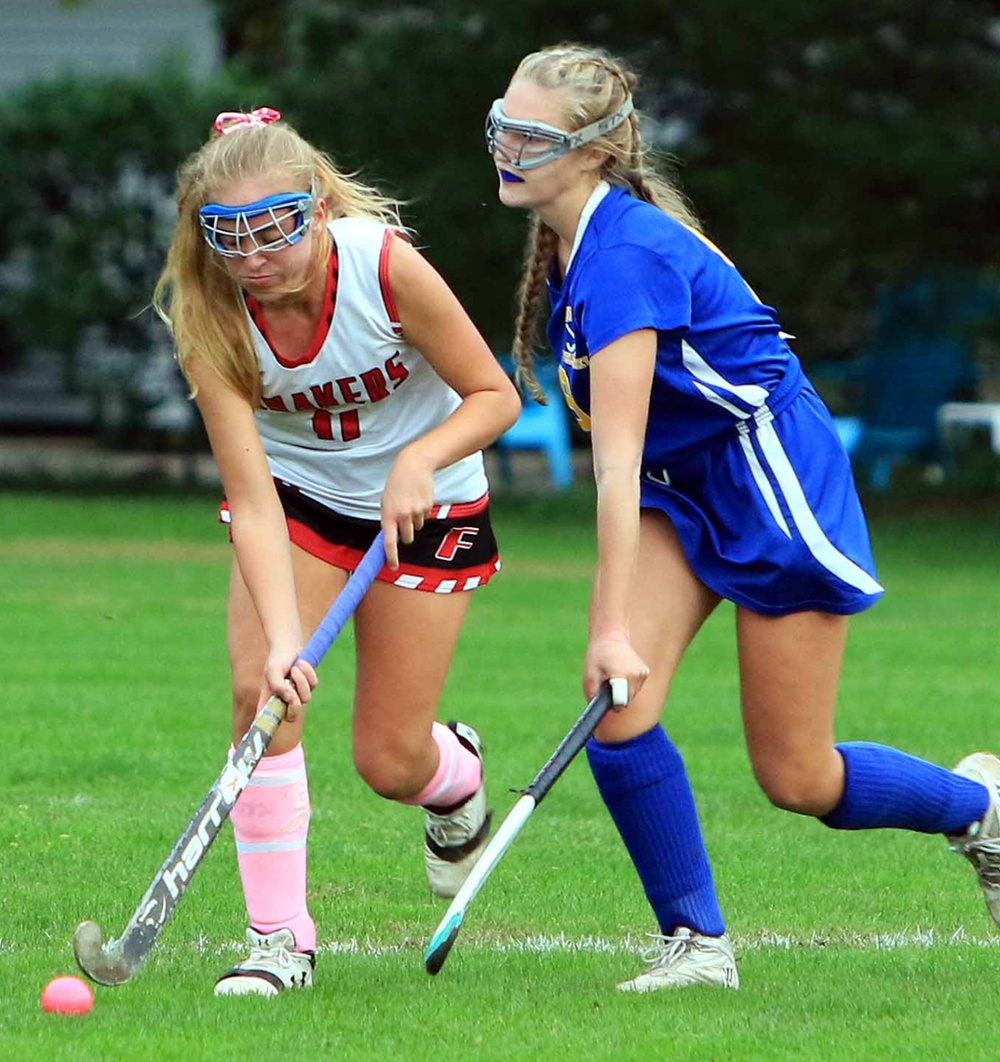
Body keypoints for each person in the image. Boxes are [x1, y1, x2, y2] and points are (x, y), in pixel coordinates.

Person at [487, 43, 1000, 992]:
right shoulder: (572, 246)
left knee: (796, 776)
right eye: (499, 125)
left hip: (769, 484)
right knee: (618, 715)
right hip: (683, 487)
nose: (505, 148)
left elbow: (614, 466)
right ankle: (697, 943)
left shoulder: (627, 259)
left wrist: (609, 626)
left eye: (529, 134)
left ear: (595, 150)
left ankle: (981, 811)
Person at [153, 106, 521, 997]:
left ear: (316, 209)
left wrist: (420, 458)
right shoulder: (209, 311)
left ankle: (454, 776)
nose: (252, 254)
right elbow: (250, 496)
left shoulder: (384, 268)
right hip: (302, 497)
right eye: (227, 233)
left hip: (428, 499)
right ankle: (279, 939)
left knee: (390, 761)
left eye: (274, 226)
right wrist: (282, 642)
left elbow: (493, 395)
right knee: (260, 694)